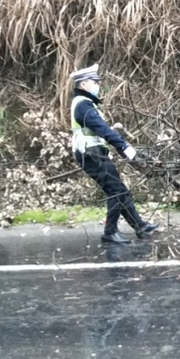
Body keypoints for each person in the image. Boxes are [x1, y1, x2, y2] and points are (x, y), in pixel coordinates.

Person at [69, 64, 159, 243]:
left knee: (120, 190)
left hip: (94, 153)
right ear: (84, 84)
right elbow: (101, 129)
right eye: (94, 82)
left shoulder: (86, 104)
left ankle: (139, 225)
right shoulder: (83, 105)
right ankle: (110, 232)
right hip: (90, 155)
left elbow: (97, 129)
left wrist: (115, 137)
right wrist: (124, 147)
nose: (97, 85)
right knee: (116, 191)